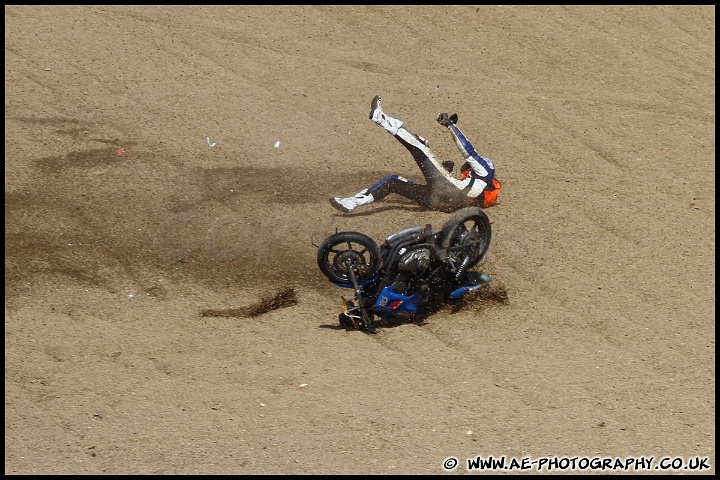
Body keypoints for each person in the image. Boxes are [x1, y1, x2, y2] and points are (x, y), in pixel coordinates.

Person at [330, 95, 501, 214]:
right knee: (393, 182)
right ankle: (351, 203)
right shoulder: (480, 190)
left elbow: (468, 150)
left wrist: (450, 125)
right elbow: (456, 195)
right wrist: (445, 170)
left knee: (419, 147)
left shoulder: (485, 169)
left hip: (446, 192)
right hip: (437, 203)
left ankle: (380, 118)